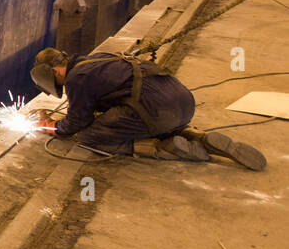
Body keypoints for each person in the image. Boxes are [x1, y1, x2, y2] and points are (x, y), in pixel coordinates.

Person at [29, 47, 266, 169]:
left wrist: (53, 127)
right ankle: (194, 135)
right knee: (128, 116)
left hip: (157, 112)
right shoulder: (95, 60)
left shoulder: (75, 78)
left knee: (88, 136)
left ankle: (162, 147)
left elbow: (77, 123)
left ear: (56, 71)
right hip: (183, 104)